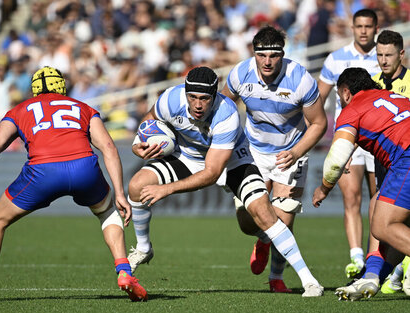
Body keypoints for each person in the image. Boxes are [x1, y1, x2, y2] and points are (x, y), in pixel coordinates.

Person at [0, 66, 147, 303]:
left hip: (42, 171)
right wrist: (120, 193)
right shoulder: (82, 108)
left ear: (33, 90)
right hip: (84, 167)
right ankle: (124, 271)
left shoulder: (20, 109)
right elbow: (109, 148)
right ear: (62, 86)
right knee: (107, 212)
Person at [127, 66, 324, 297]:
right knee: (136, 186)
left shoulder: (226, 113)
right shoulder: (170, 99)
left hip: (232, 160)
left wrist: (166, 189)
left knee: (264, 214)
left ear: (215, 96)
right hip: (189, 156)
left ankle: (310, 282)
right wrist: (136, 144)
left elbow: (212, 172)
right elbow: (148, 121)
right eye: (192, 97)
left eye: (204, 99)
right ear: (185, 93)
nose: (198, 105)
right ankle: (143, 248)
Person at [221, 25, 327, 293]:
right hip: (251, 151)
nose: (267, 61)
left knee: (284, 219)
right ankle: (263, 239)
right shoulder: (239, 73)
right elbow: (223, 106)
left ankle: (276, 278)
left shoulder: (300, 79)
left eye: (274, 55)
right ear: (253, 53)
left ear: (283, 54)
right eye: (261, 55)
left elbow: (318, 123)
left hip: (290, 153)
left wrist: (297, 152)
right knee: (247, 222)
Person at [312, 67, 410, 301]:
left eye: (339, 97)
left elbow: (336, 161)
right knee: (378, 206)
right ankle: (373, 275)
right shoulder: (392, 96)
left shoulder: (352, 108)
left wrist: (323, 188)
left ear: (346, 93)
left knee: (383, 226)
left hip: (406, 158)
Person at [317, 9, 380, 279]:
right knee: (351, 197)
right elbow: (318, 98)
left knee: (379, 200)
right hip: (348, 136)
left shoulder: (384, 56)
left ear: (376, 28)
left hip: (378, 138)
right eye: (359, 26)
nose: (364, 31)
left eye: (368, 26)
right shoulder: (336, 58)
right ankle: (356, 258)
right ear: (352, 28)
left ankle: (375, 258)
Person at [371, 30, 410, 295]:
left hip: (406, 162)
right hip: (384, 165)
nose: (384, 60)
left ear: (401, 54)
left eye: (389, 55)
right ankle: (387, 273)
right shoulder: (372, 84)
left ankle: (380, 274)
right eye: (380, 55)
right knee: (385, 220)